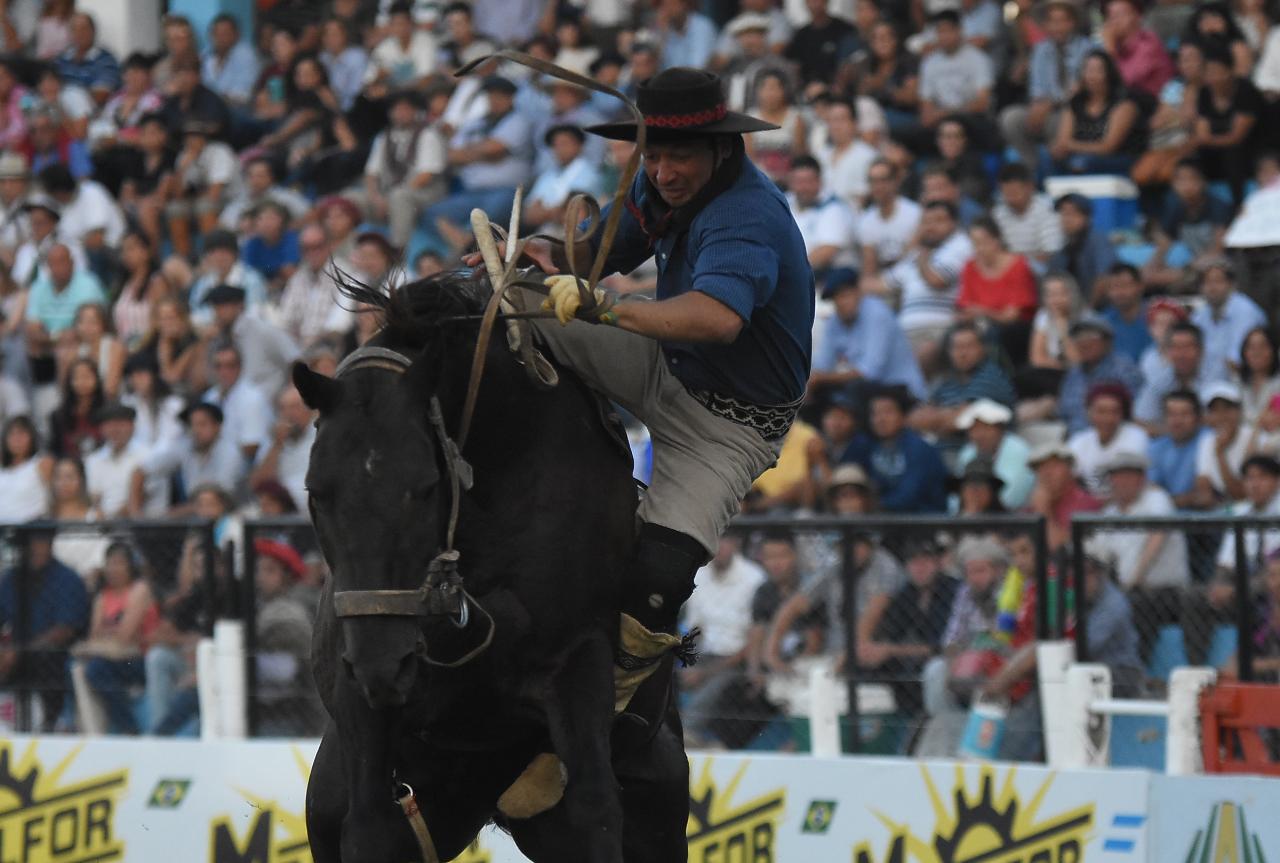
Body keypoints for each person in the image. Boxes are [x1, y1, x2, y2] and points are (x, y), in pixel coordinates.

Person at [467, 68, 815, 709]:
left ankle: (610, 719)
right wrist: (546, 252)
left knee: (658, 578)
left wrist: (602, 305)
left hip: (729, 428)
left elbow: (715, 318)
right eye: (651, 153)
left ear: (721, 148)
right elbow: (593, 255)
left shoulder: (747, 215)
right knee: (494, 298)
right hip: (663, 362)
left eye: (678, 154)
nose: (662, 169)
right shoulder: (658, 189)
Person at [1093, 450, 1189, 660]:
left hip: (1165, 590)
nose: (1123, 481)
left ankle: (1137, 670)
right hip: (1122, 590)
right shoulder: (1110, 513)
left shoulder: (1156, 499)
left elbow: (1158, 535)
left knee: (1135, 604)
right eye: (1118, 475)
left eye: (1130, 475)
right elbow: (1099, 557)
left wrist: (1135, 579)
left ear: (1142, 478)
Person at [679, 534, 766, 747]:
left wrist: (705, 672)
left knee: (718, 683)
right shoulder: (698, 574)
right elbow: (695, 628)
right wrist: (686, 658)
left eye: (724, 541)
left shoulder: (754, 578)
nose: (718, 548)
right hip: (704, 653)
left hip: (738, 657)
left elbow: (754, 641)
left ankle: (686, 732)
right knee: (668, 671)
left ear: (736, 543)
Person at [0, 526, 90, 731]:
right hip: (13, 653)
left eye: (40, 541)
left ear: (49, 544)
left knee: (49, 660)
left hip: (54, 655)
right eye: (30, 543)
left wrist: (21, 650)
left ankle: (51, 724)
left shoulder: (67, 579)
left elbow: (65, 630)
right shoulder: (11, 578)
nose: (34, 548)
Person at [74, 540, 158, 734]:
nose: (114, 569)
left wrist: (107, 631)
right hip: (111, 658)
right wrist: (112, 632)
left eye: (119, 563)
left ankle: (129, 728)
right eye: (110, 563)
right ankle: (85, 727)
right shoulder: (103, 596)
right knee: (78, 668)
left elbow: (125, 637)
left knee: (97, 669)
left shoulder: (140, 589)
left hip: (140, 659)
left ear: (130, 566)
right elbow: (94, 635)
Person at [880, 200, 973, 374]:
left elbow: (936, 280)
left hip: (939, 330)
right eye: (926, 222)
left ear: (954, 223)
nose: (930, 227)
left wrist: (921, 255)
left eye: (938, 221)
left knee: (921, 355)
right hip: (905, 332)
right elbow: (882, 284)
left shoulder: (961, 245)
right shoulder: (916, 254)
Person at [808, 267, 926, 400]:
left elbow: (869, 373)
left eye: (845, 295)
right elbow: (822, 365)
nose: (841, 303)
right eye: (836, 298)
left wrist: (820, 378)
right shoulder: (835, 320)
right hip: (874, 390)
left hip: (902, 390)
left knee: (856, 388)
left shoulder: (877, 313)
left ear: (858, 292)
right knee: (815, 392)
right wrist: (814, 381)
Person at [999, 0, 1092, 168]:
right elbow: (1037, 87)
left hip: (1073, 110)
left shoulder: (1087, 49)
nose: (1057, 27)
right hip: (1044, 108)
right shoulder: (1040, 50)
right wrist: (1037, 106)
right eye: (1052, 21)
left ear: (1072, 23)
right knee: (1011, 118)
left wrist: (1051, 103)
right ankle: (1030, 169)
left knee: (1058, 123)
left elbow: (1079, 90)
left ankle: (1060, 171)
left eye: (1061, 21)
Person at [348, 90, 446, 250]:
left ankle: (398, 252)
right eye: (396, 109)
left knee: (399, 197)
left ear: (416, 111)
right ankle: (352, 253)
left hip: (426, 192)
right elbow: (371, 174)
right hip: (388, 194)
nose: (400, 113)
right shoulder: (384, 137)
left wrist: (389, 199)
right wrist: (376, 198)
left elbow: (426, 176)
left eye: (405, 109)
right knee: (350, 197)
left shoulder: (428, 134)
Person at [253, 537, 323, 736]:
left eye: (270, 570)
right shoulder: (260, 606)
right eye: (259, 569)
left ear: (286, 576)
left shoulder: (289, 612)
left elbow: (285, 670)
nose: (260, 576)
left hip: (285, 714)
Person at [1044, 50, 1144, 177]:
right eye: (1088, 70)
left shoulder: (1123, 104)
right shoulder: (1075, 103)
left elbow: (1108, 147)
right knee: (1046, 155)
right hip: (1080, 155)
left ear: (1109, 74)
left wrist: (1070, 146)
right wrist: (1065, 147)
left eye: (1098, 70)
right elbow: (1062, 140)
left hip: (1117, 158)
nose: (1092, 76)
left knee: (1081, 162)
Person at [910, 322, 1016, 439]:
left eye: (969, 346)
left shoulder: (991, 377)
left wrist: (937, 419)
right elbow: (916, 419)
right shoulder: (945, 381)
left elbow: (963, 419)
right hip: (944, 450)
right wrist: (948, 416)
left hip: (981, 453)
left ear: (983, 349)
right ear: (949, 352)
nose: (963, 353)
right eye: (957, 347)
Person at [955, 217, 1039, 363]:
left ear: (997, 240)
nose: (979, 249)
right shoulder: (970, 267)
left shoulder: (1018, 265)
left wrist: (983, 311)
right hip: (980, 325)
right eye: (974, 244)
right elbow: (965, 308)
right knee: (954, 335)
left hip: (1014, 329)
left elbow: (1012, 316)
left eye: (983, 242)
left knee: (993, 335)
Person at [854, 386, 948, 513]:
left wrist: (870, 507)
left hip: (924, 522)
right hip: (886, 522)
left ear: (903, 416)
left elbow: (908, 496)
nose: (881, 419)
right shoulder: (871, 447)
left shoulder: (920, 449)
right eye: (875, 413)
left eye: (888, 412)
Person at [1142, 160, 1231, 290]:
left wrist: (1188, 268)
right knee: (1146, 275)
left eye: (1192, 179)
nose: (1186, 185)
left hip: (1218, 264)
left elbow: (1219, 249)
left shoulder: (1217, 205)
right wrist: (1151, 268)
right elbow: (1164, 244)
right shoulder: (1174, 207)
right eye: (1180, 180)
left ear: (1203, 182)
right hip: (1191, 267)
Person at [203, 284, 300, 397]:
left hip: (268, 401)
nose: (217, 312)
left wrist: (291, 394)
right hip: (237, 401)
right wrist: (203, 343)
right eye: (215, 307)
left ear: (239, 305)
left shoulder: (261, 330)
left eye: (222, 306)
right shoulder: (218, 337)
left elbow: (295, 358)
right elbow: (206, 378)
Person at [917, 10, 995, 146]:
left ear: (960, 31)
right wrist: (935, 116)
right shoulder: (929, 62)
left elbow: (983, 103)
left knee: (955, 124)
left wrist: (945, 113)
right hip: (939, 122)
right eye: (940, 32)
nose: (944, 36)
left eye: (948, 31)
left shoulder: (978, 58)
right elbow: (926, 105)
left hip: (971, 119)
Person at [1135, 321, 1229, 430]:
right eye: (1176, 347)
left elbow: (1221, 419)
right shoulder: (1161, 378)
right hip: (1172, 440)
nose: (1181, 354)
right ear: (1168, 352)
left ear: (1201, 351)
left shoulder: (1217, 374)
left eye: (1187, 347)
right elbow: (1141, 419)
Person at [1058, 317, 1144, 435]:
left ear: (1107, 342)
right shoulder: (1074, 374)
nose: (1084, 343)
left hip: (1114, 438)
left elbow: (1135, 413)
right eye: (1078, 337)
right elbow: (1063, 411)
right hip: (1075, 439)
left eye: (1091, 336)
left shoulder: (1124, 370)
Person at [1190, 258, 1267, 383]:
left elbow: (1235, 361)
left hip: (1241, 383)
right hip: (1207, 384)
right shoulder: (1201, 314)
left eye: (1218, 281)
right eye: (1206, 282)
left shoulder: (1245, 311)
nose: (1212, 287)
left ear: (1232, 285)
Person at [1068, 382, 1151, 497]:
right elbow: (1070, 480)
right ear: (1089, 413)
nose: (1107, 418)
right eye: (1101, 411)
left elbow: (1128, 483)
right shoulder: (1079, 440)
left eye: (1114, 412)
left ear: (1123, 414)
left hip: (1126, 503)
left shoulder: (1136, 436)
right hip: (1089, 505)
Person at [954, 399, 1035, 510]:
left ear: (1000, 429)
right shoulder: (967, 452)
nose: (979, 435)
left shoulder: (1018, 450)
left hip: (1012, 518)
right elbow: (956, 499)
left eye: (986, 428)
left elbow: (1012, 498)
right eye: (974, 429)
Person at [786, 156, 859, 276]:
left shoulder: (835, 208)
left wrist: (788, 274)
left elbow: (826, 252)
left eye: (808, 181)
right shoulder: (783, 202)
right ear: (790, 182)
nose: (803, 187)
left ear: (819, 181)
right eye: (799, 182)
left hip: (829, 276)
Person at [248, 384, 315, 510]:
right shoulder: (274, 440)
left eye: (294, 407)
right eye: (283, 409)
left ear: (309, 409)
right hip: (280, 509)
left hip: (310, 509)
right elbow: (257, 484)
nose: (289, 414)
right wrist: (277, 445)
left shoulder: (320, 436)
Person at [1025, 442, 1101, 551]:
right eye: (1040, 468)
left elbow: (1059, 548)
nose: (1046, 473)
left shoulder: (1085, 503)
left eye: (1053, 466)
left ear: (1069, 469)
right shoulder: (1035, 502)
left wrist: (1043, 510)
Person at [858, 158, 921, 285]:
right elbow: (869, 268)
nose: (877, 186)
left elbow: (911, 257)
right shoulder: (865, 220)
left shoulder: (915, 214)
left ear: (895, 181)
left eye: (883, 180)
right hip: (881, 283)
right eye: (873, 181)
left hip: (911, 278)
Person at [992, 163, 1064, 272]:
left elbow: (1050, 253)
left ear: (1030, 187)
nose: (1010, 197)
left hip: (1041, 272)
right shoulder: (997, 214)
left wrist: (1017, 262)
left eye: (1015, 191)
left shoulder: (1047, 211)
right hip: (1006, 271)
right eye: (1006, 192)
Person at [1047, 194, 1116, 305]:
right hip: (1071, 311)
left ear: (1087, 218)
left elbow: (1104, 279)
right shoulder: (1062, 250)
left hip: (1101, 310)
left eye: (1072, 214)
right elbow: (1051, 281)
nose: (1067, 219)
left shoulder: (1099, 242)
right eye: (1063, 214)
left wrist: (1087, 310)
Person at [1148, 390, 1212, 510]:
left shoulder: (1209, 440)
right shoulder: (1155, 447)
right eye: (1171, 414)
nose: (1177, 421)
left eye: (1185, 414)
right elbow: (1152, 491)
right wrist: (1185, 499)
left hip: (1207, 521)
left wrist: (1169, 499)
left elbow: (1205, 498)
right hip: (1165, 520)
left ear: (1198, 418)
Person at [1193, 381, 1254, 504]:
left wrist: (1220, 453)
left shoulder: (1253, 437)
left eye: (1227, 408)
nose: (1221, 416)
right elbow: (1204, 489)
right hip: (1222, 510)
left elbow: (1240, 494)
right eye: (1215, 410)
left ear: (1239, 411)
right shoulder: (1207, 440)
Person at [1100, 0, 1174, 98]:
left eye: (1120, 15)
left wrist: (1110, 50)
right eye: (1111, 16)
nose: (1115, 22)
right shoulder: (1116, 45)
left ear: (1138, 16)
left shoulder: (1149, 43)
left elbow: (1125, 83)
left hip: (1153, 105)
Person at [814, 98, 877, 210]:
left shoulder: (868, 156)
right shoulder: (820, 155)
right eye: (831, 120)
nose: (836, 126)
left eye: (841, 120)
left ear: (854, 123)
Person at [201, 13, 260, 109]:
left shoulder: (245, 54)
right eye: (216, 33)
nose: (220, 38)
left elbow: (244, 95)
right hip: (210, 109)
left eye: (225, 33)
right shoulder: (206, 54)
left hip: (237, 110)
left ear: (236, 35)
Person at [0, 416, 51, 522]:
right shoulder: (2, 469)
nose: (17, 439)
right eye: (12, 434)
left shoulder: (42, 463)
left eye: (22, 434)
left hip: (31, 529)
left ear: (32, 437)